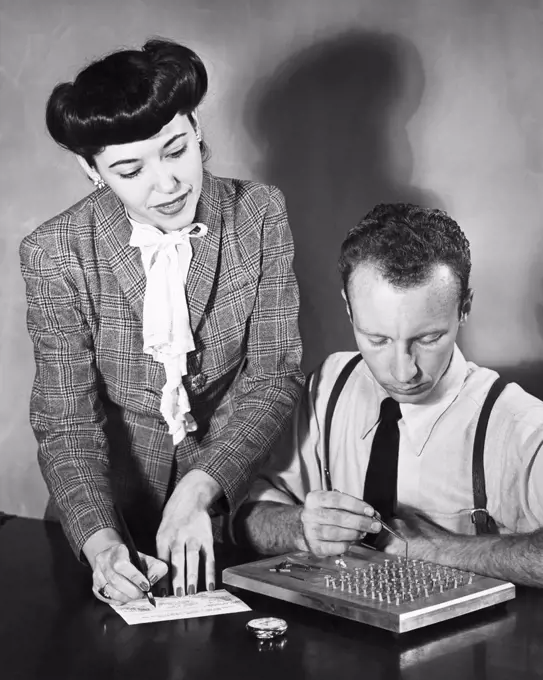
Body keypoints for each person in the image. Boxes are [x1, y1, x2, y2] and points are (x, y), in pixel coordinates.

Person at [19, 38, 304, 605]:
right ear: (91, 169)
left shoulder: (261, 213)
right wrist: (101, 544)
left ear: (195, 125)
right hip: (106, 521)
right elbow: (66, 419)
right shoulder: (54, 251)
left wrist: (201, 491)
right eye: (130, 169)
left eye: (176, 150)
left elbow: (274, 373)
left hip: (223, 513)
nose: (167, 184)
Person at [239, 203, 543, 587]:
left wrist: (440, 550)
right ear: (349, 311)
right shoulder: (329, 386)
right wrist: (298, 527)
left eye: (428, 338)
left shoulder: (520, 426)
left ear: (464, 308)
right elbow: (243, 512)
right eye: (377, 339)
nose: (403, 372)